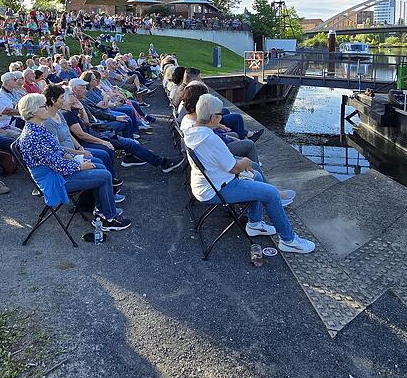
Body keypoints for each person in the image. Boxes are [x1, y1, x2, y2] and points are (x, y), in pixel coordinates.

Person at [184, 94, 314, 254]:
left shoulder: (193, 133)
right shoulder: (211, 139)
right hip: (217, 189)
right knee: (271, 193)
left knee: (256, 177)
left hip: (207, 183)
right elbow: (235, 168)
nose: (221, 118)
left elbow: (220, 161)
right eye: (220, 115)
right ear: (212, 118)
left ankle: (255, 223)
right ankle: (288, 240)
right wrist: (246, 162)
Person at [16, 94, 131, 231]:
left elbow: (56, 150)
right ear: (33, 111)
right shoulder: (33, 136)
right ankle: (108, 219)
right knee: (104, 175)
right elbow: (57, 165)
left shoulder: (38, 128)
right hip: (53, 180)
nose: (47, 108)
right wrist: (80, 165)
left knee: (98, 164)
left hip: (57, 170)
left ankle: (102, 210)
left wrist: (75, 155)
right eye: (43, 106)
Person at [67, 80, 185, 173]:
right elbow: (83, 131)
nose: (86, 90)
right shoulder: (70, 111)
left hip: (97, 129)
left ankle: (133, 155)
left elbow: (90, 119)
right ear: (73, 90)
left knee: (128, 128)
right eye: (82, 88)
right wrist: (103, 140)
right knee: (127, 129)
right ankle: (160, 162)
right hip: (97, 129)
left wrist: (82, 109)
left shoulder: (79, 103)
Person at [42, 84, 119, 184]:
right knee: (102, 162)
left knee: (102, 158)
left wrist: (79, 148)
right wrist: (80, 153)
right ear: (53, 100)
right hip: (67, 157)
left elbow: (68, 133)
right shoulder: (48, 122)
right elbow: (58, 148)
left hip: (74, 150)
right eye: (62, 98)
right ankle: (107, 185)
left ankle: (108, 185)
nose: (64, 100)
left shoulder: (58, 113)